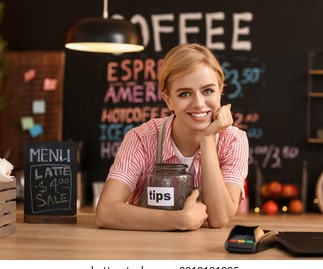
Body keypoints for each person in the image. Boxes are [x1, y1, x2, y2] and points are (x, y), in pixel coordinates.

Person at [95, 42, 249, 231]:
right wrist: (180, 220)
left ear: (220, 90)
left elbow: (219, 218)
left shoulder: (233, 140)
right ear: (169, 100)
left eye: (208, 91)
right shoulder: (141, 139)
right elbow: (105, 212)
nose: (199, 104)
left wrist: (207, 139)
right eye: (185, 93)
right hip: (142, 250)